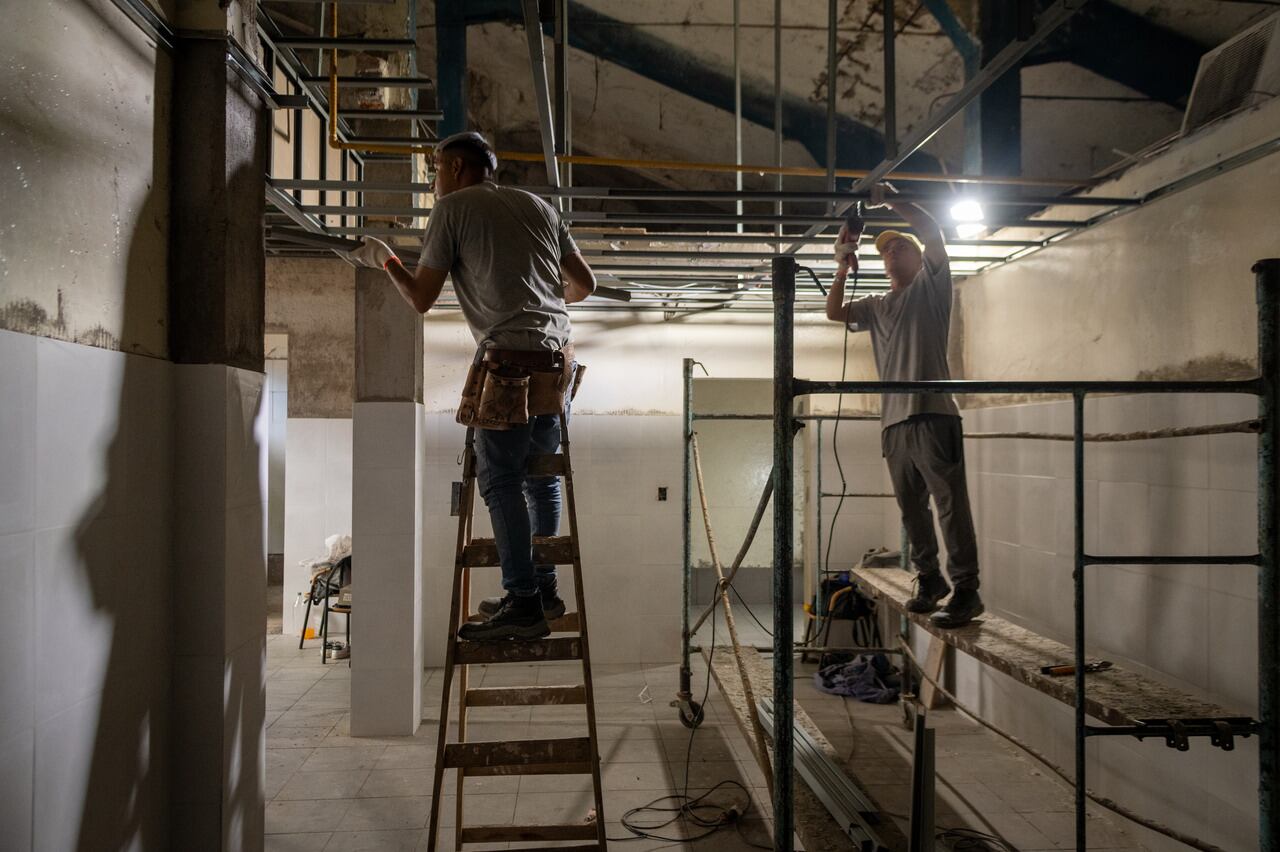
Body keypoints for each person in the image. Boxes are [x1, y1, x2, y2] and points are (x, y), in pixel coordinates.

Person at [346, 131, 597, 641]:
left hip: (509, 368)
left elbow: (420, 298)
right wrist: (542, 302)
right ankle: (543, 589)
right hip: (557, 365)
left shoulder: (453, 209)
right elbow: (584, 286)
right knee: (541, 479)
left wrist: (384, 260)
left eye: (435, 168)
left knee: (501, 481)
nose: (433, 179)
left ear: (457, 168)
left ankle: (523, 602)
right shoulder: (540, 208)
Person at [824, 183, 982, 628]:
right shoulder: (876, 306)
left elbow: (932, 229)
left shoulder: (931, 289)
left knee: (950, 505)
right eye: (886, 248)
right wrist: (841, 265)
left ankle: (967, 589)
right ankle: (930, 580)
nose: (891, 251)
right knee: (912, 509)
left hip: (932, 412)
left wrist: (892, 198)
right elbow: (834, 312)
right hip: (893, 423)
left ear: (918, 258)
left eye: (900, 247)